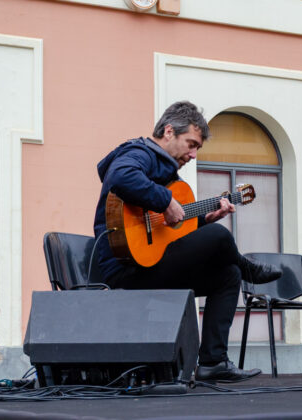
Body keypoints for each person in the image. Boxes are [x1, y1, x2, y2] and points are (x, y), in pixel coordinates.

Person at [93, 101, 281, 382]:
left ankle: (213, 363)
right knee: (220, 238)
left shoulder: (166, 173)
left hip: (152, 265)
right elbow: (121, 176)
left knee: (228, 274)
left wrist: (206, 218)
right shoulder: (139, 153)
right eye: (191, 144)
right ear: (169, 131)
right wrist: (166, 201)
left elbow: (168, 232)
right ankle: (249, 268)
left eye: (197, 148)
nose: (193, 155)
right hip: (126, 269)